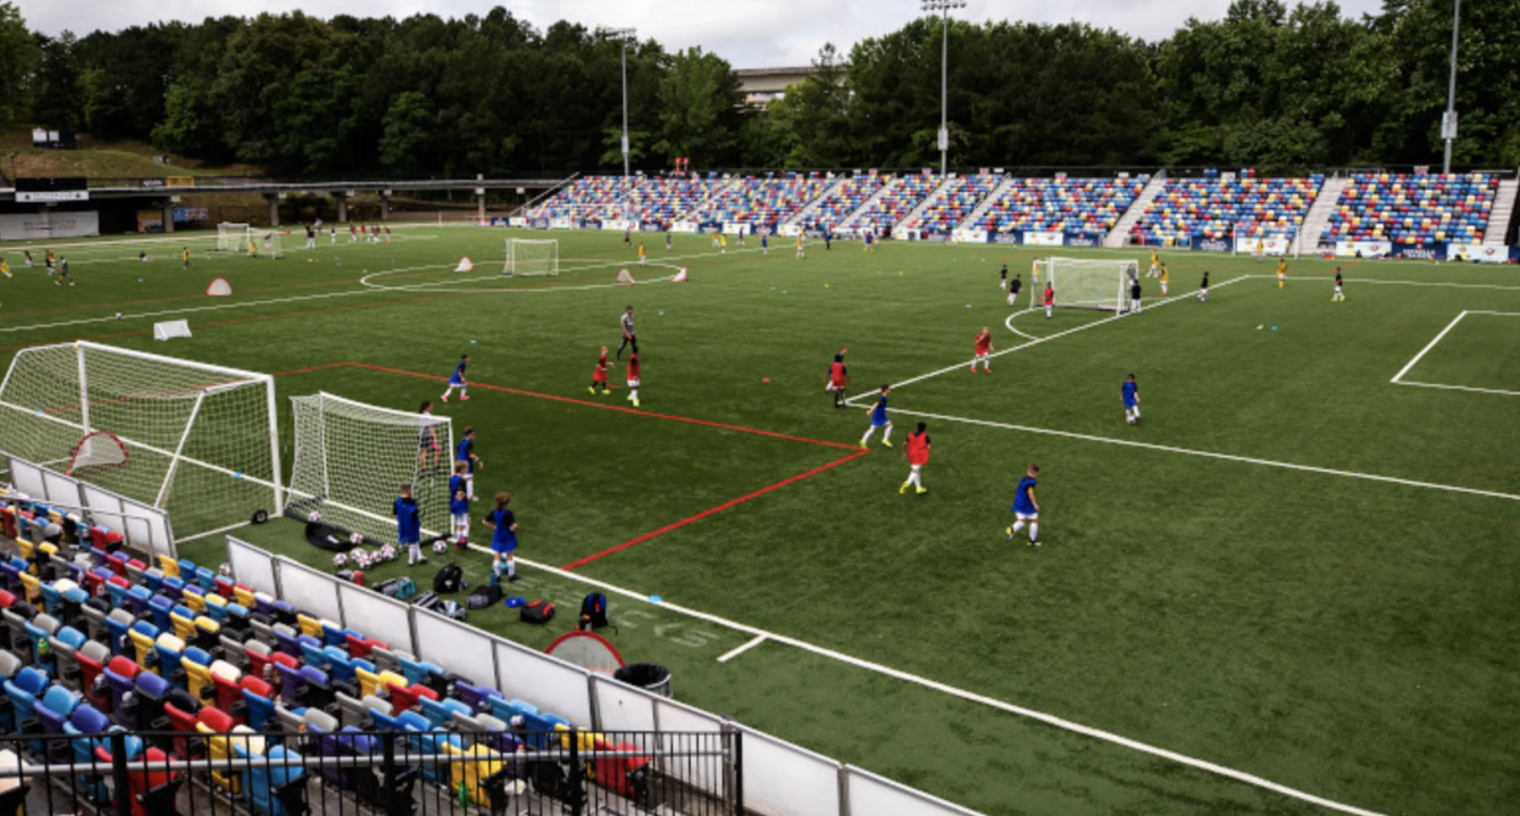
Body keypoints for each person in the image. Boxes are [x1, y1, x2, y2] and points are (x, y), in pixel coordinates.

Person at [481, 492, 520, 584]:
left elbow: (484, 521)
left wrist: (493, 526)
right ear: (507, 503)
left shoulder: (494, 512)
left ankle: (497, 576)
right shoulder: (508, 513)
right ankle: (511, 575)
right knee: (509, 554)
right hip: (507, 534)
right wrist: (512, 528)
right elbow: (514, 525)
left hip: (498, 534)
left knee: (497, 554)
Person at [1005, 463, 1041, 547]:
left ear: (1028, 471)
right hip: (1026, 505)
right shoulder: (1031, 482)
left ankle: (1010, 530)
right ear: (1036, 473)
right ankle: (1031, 541)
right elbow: (1030, 492)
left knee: (1023, 521)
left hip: (1018, 503)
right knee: (1034, 519)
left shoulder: (1023, 479)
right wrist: (1035, 504)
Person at [395, 484, 424, 565]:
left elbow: (395, 512)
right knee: (412, 542)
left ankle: (419, 556)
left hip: (402, 524)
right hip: (411, 524)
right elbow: (414, 514)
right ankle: (410, 560)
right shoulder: (411, 501)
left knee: (414, 541)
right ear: (409, 489)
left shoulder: (397, 500)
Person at [901, 421, 931, 495]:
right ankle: (907, 483)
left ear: (917, 428)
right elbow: (928, 447)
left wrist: (904, 452)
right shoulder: (926, 436)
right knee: (914, 471)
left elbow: (904, 443)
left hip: (911, 455)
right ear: (924, 428)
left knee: (916, 471)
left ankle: (918, 488)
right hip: (920, 456)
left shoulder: (910, 435)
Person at [860, 385, 893, 449]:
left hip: (881, 415)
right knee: (873, 429)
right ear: (886, 390)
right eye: (889, 389)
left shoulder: (883, 397)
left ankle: (885, 439)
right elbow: (876, 403)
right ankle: (863, 441)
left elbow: (880, 405)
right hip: (878, 416)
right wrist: (870, 410)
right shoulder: (883, 398)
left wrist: (884, 410)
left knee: (889, 425)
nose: (890, 390)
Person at [455, 427, 481, 499]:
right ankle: (470, 496)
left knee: (460, 477)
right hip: (466, 463)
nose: (474, 435)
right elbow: (471, 454)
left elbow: (457, 449)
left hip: (459, 461)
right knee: (470, 478)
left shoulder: (462, 440)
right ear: (469, 435)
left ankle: (458, 493)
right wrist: (478, 460)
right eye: (473, 434)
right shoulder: (469, 443)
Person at [417, 400, 442, 473]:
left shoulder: (422, 414)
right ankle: (435, 467)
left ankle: (423, 469)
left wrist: (437, 421)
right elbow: (431, 428)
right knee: (438, 449)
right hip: (427, 437)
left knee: (424, 451)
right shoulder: (428, 416)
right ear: (426, 407)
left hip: (421, 436)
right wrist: (435, 438)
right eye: (431, 406)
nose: (432, 407)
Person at [450, 486, 470, 550]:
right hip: (464, 513)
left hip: (457, 514)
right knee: (466, 524)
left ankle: (457, 543)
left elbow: (452, 509)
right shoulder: (464, 500)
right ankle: (464, 538)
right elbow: (468, 497)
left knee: (459, 526)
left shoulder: (454, 501)